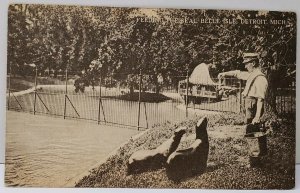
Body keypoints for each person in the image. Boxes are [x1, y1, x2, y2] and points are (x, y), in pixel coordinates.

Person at [218, 53, 268, 125]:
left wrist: (257, 117)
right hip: (249, 109)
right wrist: (224, 73)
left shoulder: (260, 78)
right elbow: (237, 73)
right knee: (248, 128)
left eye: (246, 64)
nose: (245, 66)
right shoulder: (251, 75)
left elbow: (260, 99)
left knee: (253, 131)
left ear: (253, 63)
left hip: (253, 110)